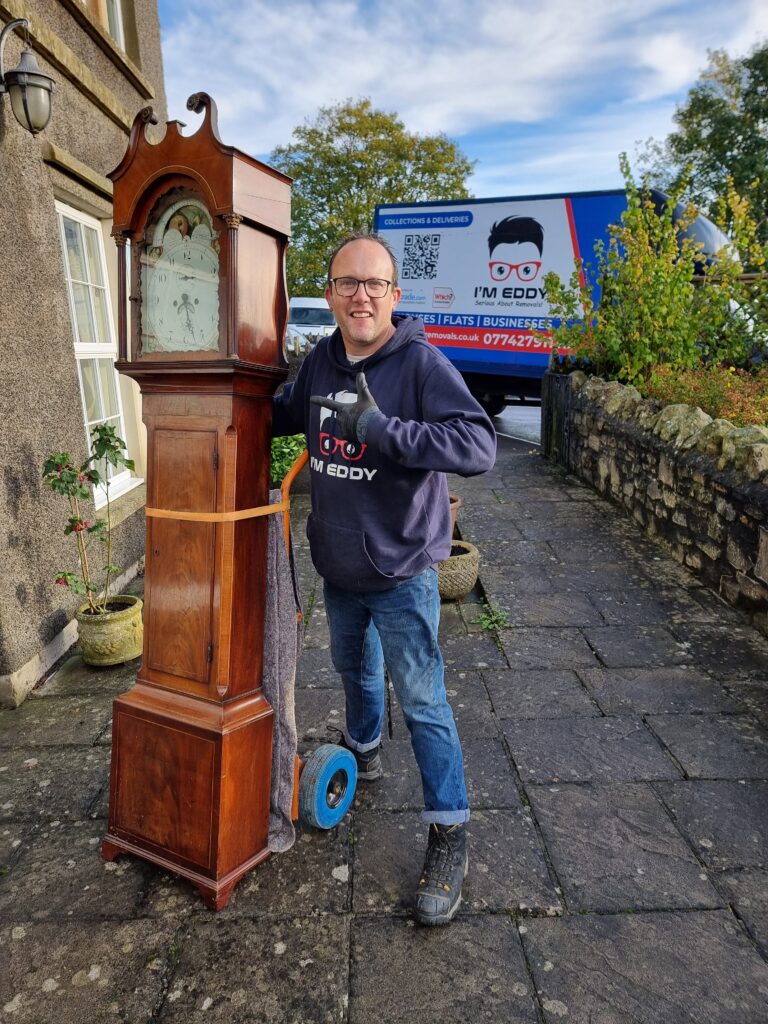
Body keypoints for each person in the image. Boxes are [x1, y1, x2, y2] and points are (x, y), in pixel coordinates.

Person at [272, 232, 496, 925]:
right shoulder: (320, 361)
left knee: (424, 702)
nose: (361, 294)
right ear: (332, 293)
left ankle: (449, 832)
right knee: (354, 673)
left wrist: (385, 430)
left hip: (401, 572)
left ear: (395, 296)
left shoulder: (420, 364)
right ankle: (364, 755)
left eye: (375, 284)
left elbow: (478, 444)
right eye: (347, 283)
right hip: (338, 568)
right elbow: (279, 413)